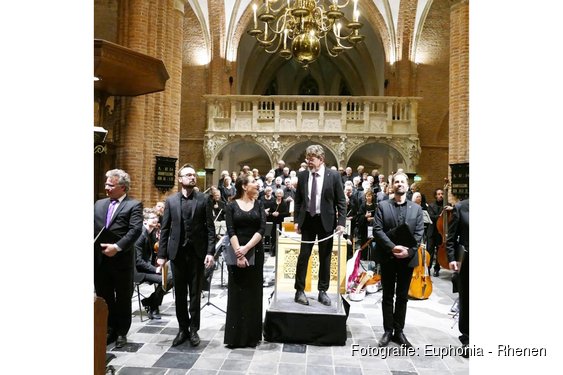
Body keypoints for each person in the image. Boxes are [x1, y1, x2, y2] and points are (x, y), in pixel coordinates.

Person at [157, 163, 216, 347]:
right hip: (177, 254)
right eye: (188, 175)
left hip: (197, 253)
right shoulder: (171, 201)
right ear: (180, 179)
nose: (192, 177)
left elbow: (210, 229)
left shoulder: (204, 199)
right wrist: (161, 255)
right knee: (180, 294)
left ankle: (193, 329)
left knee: (195, 294)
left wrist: (210, 252)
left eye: (193, 174)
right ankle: (182, 328)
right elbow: (165, 229)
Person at [373, 172, 424, 348]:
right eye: (396, 181)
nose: (399, 184)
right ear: (391, 185)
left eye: (402, 181)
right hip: (388, 256)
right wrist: (392, 247)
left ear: (408, 185)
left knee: (402, 297)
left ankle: (399, 331)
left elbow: (419, 234)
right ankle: (388, 331)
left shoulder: (416, 209)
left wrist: (409, 251)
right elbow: (377, 230)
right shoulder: (382, 206)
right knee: (387, 295)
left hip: (407, 259)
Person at [94, 169, 143, 348]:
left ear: (122, 187)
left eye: (110, 185)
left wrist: (117, 247)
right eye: (106, 183)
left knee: (122, 298)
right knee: (104, 296)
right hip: (100, 261)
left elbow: (135, 230)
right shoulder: (99, 204)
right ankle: (109, 329)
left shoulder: (134, 205)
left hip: (121, 260)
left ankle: (122, 332)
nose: (106, 187)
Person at [293, 144, 346, 307]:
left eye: (312, 158)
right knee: (303, 256)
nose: (308, 161)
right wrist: (297, 220)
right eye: (307, 158)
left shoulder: (334, 176)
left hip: (326, 222)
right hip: (308, 221)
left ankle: (323, 291)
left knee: (325, 257)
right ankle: (299, 291)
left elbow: (341, 201)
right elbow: (299, 201)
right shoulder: (302, 176)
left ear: (321, 159)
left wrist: (341, 223)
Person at [224, 175, 267, 348]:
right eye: (253, 182)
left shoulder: (259, 204)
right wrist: (239, 254)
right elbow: (230, 229)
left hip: (255, 250)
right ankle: (235, 337)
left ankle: (251, 336)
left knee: (253, 292)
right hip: (236, 251)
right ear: (243, 186)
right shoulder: (231, 206)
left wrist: (246, 249)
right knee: (237, 292)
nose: (257, 184)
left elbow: (262, 228)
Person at [135, 208, 174, 319]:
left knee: (173, 273)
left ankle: (151, 301)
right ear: (144, 221)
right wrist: (154, 269)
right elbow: (138, 261)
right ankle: (153, 305)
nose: (156, 220)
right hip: (138, 271)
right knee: (168, 279)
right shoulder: (140, 236)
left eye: (156, 218)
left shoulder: (152, 233)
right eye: (152, 218)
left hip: (148, 267)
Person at [446, 198, 469, 357]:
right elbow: (451, 237)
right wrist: (452, 258)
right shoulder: (461, 207)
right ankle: (468, 338)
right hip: (467, 259)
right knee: (467, 299)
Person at [426, 188, 449, 277]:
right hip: (432, 232)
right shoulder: (431, 206)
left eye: (442, 194)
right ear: (435, 196)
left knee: (439, 252)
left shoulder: (447, 205)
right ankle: (427, 269)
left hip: (441, 233)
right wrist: (440, 215)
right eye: (438, 194)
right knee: (430, 251)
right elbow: (431, 217)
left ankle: (436, 269)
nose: (440, 195)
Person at [267, 188, 289, 256]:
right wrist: (272, 213)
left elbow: (287, 213)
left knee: (280, 237)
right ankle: (273, 251)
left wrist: (279, 214)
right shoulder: (272, 202)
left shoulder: (285, 203)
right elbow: (269, 212)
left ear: (282, 195)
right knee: (273, 237)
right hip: (274, 222)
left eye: (280, 194)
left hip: (281, 222)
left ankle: (279, 252)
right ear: (276, 195)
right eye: (278, 194)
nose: (279, 196)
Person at [357, 190, 377, 261]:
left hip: (373, 226)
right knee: (364, 241)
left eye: (370, 196)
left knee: (372, 242)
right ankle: (364, 257)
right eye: (367, 196)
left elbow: (378, 216)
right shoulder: (363, 205)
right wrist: (365, 216)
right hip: (364, 227)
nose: (368, 197)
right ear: (365, 197)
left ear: (372, 197)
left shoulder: (375, 205)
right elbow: (359, 216)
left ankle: (372, 257)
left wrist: (372, 218)